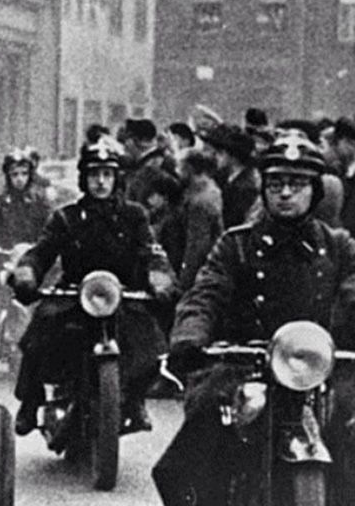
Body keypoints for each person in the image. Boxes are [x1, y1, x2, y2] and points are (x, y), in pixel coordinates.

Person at [152, 132, 355, 505]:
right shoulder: (236, 245)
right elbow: (205, 294)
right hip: (245, 366)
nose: (285, 193)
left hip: (320, 371)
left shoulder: (338, 246)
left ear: (315, 191)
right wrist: (189, 337)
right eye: (276, 183)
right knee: (191, 452)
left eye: (297, 184)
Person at [9, 136, 177, 436]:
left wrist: (159, 277)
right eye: (94, 175)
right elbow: (42, 251)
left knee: (151, 344)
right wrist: (27, 273)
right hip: (75, 295)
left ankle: (135, 399)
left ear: (116, 179)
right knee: (37, 334)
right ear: (84, 179)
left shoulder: (134, 216)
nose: (101, 182)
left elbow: (151, 251)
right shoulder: (66, 217)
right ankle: (31, 402)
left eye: (107, 174)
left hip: (122, 296)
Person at [0, 148, 53, 343]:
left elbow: (52, 229)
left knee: (53, 286)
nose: (19, 179)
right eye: (14, 174)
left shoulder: (40, 202)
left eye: (24, 174)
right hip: (5, 256)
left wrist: (46, 247)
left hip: (34, 256)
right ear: (7, 176)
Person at [174, 149, 223, 291]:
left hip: (200, 273)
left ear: (189, 169)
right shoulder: (208, 189)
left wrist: (184, 282)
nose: (177, 172)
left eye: (179, 167)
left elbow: (196, 246)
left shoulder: (200, 201)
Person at [202, 123, 259, 228]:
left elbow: (234, 221)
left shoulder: (244, 187)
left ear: (233, 157)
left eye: (221, 153)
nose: (216, 156)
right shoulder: (229, 178)